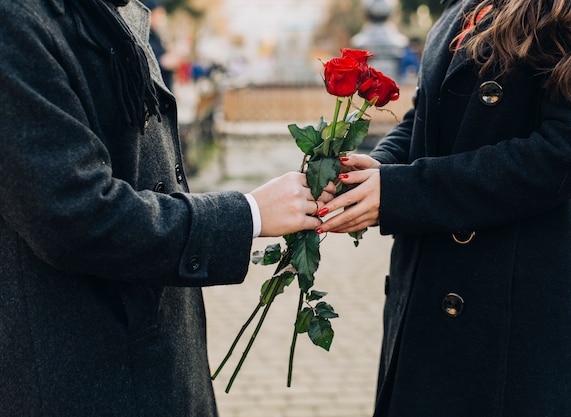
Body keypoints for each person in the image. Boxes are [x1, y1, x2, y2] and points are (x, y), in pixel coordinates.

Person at [0, 1, 332, 416]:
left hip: (155, 360)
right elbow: (76, 214)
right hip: (88, 373)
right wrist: (249, 214)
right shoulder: (18, 20)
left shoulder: (110, 11)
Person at [316, 0, 571, 415]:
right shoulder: (465, 4)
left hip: (515, 296)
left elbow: (566, 153)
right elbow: (424, 114)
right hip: (428, 281)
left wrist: (402, 193)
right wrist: (380, 167)